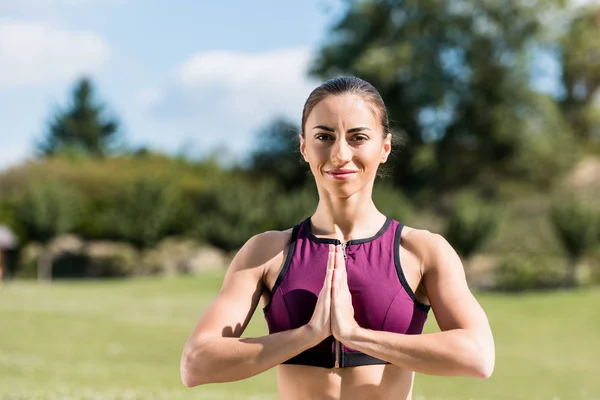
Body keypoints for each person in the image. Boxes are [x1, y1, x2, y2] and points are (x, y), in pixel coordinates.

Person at [180, 76, 495, 400]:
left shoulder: (422, 251)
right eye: (324, 137)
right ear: (304, 146)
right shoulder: (266, 252)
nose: (340, 154)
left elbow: (477, 355)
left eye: (358, 137)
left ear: (384, 147)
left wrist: (357, 336)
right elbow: (196, 363)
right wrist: (306, 335)